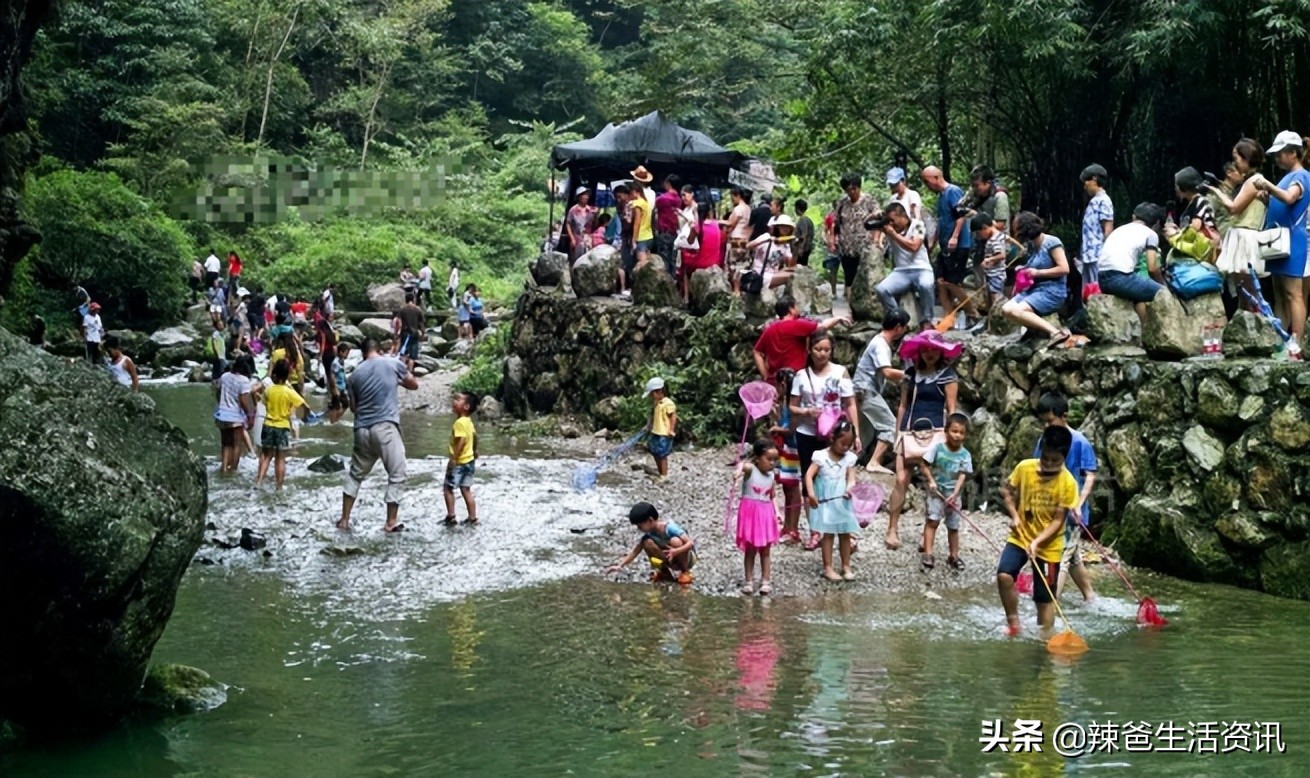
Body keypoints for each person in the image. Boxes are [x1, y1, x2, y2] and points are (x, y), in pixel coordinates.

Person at [998, 425, 1078, 635]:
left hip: (1048, 547)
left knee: (1044, 599)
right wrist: (1015, 516)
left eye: (1056, 461)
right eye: (1046, 459)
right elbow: (1006, 491)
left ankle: (1044, 639)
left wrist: (1037, 542)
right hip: (1020, 538)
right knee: (1004, 576)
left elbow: (1058, 521)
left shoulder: (1068, 483)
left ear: (1064, 457)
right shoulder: (1024, 468)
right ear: (1041, 451)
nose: (1049, 465)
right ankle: (1013, 622)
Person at [885, 330, 961, 551]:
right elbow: (902, 405)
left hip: (936, 432)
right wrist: (897, 432)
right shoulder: (910, 374)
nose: (929, 354)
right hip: (909, 430)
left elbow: (951, 409)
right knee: (901, 480)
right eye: (925, 349)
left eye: (934, 350)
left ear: (940, 352)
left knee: (932, 483)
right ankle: (892, 529)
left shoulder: (948, 376)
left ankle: (926, 534)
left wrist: (951, 439)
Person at [338, 338, 419, 533]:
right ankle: (391, 522)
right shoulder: (392, 363)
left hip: (361, 430)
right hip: (385, 428)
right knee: (397, 474)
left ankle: (344, 519)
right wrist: (396, 381)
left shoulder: (354, 374)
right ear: (379, 350)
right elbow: (413, 384)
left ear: (363, 353)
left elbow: (354, 407)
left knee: (356, 475)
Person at [790, 330, 861, 550]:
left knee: (838, 480)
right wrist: (806, 412)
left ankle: (842, 529)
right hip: (807, 432)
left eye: (826, 350)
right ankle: (815, 530)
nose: (822, 354)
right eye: (818, 349)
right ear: (810, 350)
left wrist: (855, 433)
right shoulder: (801, 375)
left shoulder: (841, 373)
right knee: (809, 479)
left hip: (835, 434)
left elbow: (850, 404)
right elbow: (791, 406)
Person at [1032, 393, 1098, 602]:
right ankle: (1090, 597)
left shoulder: (1080, 442)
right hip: (1051, 508)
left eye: (1051, 421)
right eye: (1044, 422)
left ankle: (1051, 603)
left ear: (1065, 416)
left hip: (1072, 513)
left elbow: (1090, 475)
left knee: (1059, 558)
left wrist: (1078, 504)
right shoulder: (1046, 440)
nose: (1047, 426)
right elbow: (1036, 468)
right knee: (1073, 558)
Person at [1254, 131, 1310, 347]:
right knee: (1278, 292)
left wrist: (1267, 185)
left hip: (1293, 239)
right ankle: (1279, 339)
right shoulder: (1286, 177)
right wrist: (1267, 200)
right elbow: (1282, 205)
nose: (1277, 159)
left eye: (1280, 154)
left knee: (1293, 293)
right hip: (1278, 240)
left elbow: (1290, 197)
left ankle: (1296, 341)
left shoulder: (1302, 176)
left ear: (1293, 153)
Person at [1001, 212, 1072, 346]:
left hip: (1052, 291)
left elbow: (1064, 269)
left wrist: (1037, 273)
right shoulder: (1033, 246)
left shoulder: (1052, 242)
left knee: (1017, 310)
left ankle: (1056, 333)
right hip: (1034, 290)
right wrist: (1023, 268)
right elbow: (1034, 265)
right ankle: (1034, 329)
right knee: (1006, 308)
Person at [853, 310, 910, 474]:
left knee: (865, 432)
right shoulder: (881, 345)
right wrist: (910, 375)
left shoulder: (879, 342)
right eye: (904, 328)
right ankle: (874, 462)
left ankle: (848, 462)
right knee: (890, 427)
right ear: (898, 328)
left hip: (861, 391)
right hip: (866, 391)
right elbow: (887, 372)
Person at [805, 419, 860, 582]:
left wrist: (850, 488)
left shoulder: (849, 458)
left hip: (842, 500)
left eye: (849, 444)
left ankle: (846, 566)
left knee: (845, 533)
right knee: (828, 534)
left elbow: (851, 478)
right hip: (826, 501)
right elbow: (809, 475)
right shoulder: (821, 456)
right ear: (832, 438)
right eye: (842, 443)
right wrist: (811, 494)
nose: (845, 447)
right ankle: (828, 567)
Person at [921, 166, 975, 327]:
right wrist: (933, 242)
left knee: (952, 282)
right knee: (940, 281)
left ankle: (973, 312)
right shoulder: (941, 196)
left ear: (936, 177)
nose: (926, 185)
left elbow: (961, 215)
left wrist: (955, 236)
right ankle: (949, 316)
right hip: (945, 245)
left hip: (958, 245)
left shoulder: (953, 191)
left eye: (926, 181)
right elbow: (941, 222)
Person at [918, 413, 973, 571]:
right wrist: (931, 481)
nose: (957, 436)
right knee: (932, 521)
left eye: (961, 433)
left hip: (953, 495)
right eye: (954, 431)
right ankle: (928, 554)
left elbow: (963, 475)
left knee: (953, 526)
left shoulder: (965, 455)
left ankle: (953, 556)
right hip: (936, 493)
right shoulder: (937, 449)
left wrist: (955, 494)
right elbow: (924, 464)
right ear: (946, 431)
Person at [752, 296, 850, 384]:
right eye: (796, 306)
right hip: (795, 378)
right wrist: (837, 318)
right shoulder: (797, 324)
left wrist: (765, 375)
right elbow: (823, 326)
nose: (799, 308)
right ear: (791, 309)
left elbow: (756, 351)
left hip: (775, 380)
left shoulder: (769, 329)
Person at [1096, 203, 1166, 325]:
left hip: (1102, 280)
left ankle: (1143, 333)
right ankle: (1152, 333)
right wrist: (1164, 286)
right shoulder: (1151, 234)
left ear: (1134, 217)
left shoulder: (1120, 229)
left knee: (1139, 296)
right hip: (1122, 279)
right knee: (1164, 294)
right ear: (1157, 223)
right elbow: (1152, 268)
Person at [875, 201, 936, 323]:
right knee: (881, 289)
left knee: (926, 285)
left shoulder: (918, 225)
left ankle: (927, 320)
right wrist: (875, 215)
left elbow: (914, 247)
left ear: (902, 216)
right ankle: (897, 318)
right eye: (889, 221)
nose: (891, 224)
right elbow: (867, 224)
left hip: (922, 268)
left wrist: (894, 235)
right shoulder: (890, 228)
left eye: (893, 220)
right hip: (901, 271)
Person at [735, 439, 781, 596]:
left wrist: (778, 512)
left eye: (775, 460)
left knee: (766, 549)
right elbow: (743, 465)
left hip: (766, 513)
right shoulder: (751, 470)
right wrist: (738, 470)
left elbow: (772, 495)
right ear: (757, 458)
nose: (772, 463)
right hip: (751, 514)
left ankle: (765, 580)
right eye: (769, 459)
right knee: (750, 549)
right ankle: (749, 580)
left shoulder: (771, 476)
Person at [607, 502, 695, 583]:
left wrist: (676, 551)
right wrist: (620, 565)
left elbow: (690, 543)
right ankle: (664, 572)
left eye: (640, 526)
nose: (639, 529)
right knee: (646, 542)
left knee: (675, 541)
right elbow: (635, 552)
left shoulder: (670, 528)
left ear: (650, 520)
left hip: (687, 558)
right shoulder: (649, 534)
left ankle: (685, 572)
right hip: (669, 557)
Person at [256, 359, 308, 491]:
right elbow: (303, 404)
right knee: (280, 458)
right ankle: (279, 486)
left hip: (268, 425)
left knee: (266, 456)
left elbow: (263, 402)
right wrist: (306, 415)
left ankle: (259, 481)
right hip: (282, 426)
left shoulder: (268, 390)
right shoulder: (289, 391)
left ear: (274, 375)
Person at [769, 367, 804, 545]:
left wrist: (777, 429)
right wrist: (775, 417)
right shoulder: (784, 403)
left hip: (793, 449)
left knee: (793, 488)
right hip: (785, 448)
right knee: (787, 488)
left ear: (782, 384)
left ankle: (793, 529)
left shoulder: (793, 404)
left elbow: (792, 429)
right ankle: (788, 527)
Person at [833, 173, 880, 297]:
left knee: (865, 278)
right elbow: (836, 223)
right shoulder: (842, 202)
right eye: (848, 190)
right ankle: (850, 307)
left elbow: (877, 221)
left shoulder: (869, 200)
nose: (852, 192)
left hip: (865, 246)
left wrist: (876, 241)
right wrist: (833, 241)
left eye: (854, 189)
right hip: (847, 248)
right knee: (849, 278)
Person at [214, 355, 257, 473]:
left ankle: (223, 468)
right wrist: (250, 416)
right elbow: (244, 400)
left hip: (221, 414)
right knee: (236, 445)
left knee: (225, 444)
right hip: (235, 417)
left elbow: (218, 392)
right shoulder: (244, 381)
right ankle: (233, 470)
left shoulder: (225, 376)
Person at [443, 390, 479, 526]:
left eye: (458, 399)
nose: (454, 401)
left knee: (448, 488)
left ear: (466, 407)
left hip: (459, 462)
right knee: (466, 489)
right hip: (469, 462)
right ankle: (473, 517)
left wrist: (454, 458)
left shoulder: (459, 423)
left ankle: (451, 516)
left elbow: (462, 440)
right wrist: (475, 450)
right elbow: (474, 437)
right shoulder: (469, 422)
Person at [1079, 164, 1114, 295]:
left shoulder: (1104, 201)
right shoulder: (1094, 201)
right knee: (1087, 291)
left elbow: (1108, 227)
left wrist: (1105, 252)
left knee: (1096, 290)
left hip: (1097, 254)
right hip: (1088, 254)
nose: (1085, 186)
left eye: (1086, 182)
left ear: (1094, 179)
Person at [971, 212, 1013, 312]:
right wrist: (1020, 246)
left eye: (978, 233)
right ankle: (991, 318)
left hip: (996, 274)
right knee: (991, 297)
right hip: (993, 273)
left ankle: (997, 319)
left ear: (985, 227)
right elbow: (1008, 238)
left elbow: (1001, 255)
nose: (979, 236)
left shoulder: (994, 239)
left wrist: (988, 260)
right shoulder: (999, 235)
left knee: (996, 298)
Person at [643, 377, 677, 479]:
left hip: (664, 433)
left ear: (657, 392)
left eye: (651, 394)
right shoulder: (656, 403)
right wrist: (648, 426)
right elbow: (653, 416)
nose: (651, 397)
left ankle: (664, 475)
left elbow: (673, 417)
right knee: (654, 451)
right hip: (656, 432)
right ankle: (660, 472)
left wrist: (671, 430)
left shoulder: (668, 403)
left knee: (662, 455)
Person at [654, 175, 682, 275]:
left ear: (668, 184)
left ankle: (666, 283)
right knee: (673, 259)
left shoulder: (662, 199)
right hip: (675, 233)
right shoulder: (679, 199)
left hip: (664, 232)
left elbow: (654, 210)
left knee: (664, 258)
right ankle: (673, 280)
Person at [629, 175, 655, 271]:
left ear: (635, 192)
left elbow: (637, 223)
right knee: (648, 265)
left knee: (642, 267)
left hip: (641, 236)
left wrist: (633, 240)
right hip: (649, 236)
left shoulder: (638, 204)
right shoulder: (646, 202)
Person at [566, 187, 597, 264]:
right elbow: (568, 224)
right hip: (577, 238)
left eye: (587, 195)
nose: (586, 197)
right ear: (579, 197)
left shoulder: (590, 210)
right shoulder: (573, 210)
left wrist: (596, 215)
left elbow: (594, 224)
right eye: (584, 195)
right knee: (576, 259)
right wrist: (572, 238)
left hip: (588, 238)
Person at [395, 292, 425, 371]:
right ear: (413, 299)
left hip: (405, 333)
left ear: (406, 300)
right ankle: (410, 373)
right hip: (414, 333)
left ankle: (401, 372)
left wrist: (396, 334)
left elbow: (399, 323)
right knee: (412, 356)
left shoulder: (402, 310)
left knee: (404, 353)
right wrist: (423, 334)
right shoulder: (418, 310)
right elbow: (421, 324)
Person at [327, 341, 351, 424]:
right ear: (341, 352)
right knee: (335, 407)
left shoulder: (341, 361)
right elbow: (332, 376)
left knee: (346, 404)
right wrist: (335, 389)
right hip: (336, 388)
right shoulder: (335, 362)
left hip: (342, 387)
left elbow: (342, 373)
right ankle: (333, 422)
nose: (347, 355)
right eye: (346, 353)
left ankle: (335, 420)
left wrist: (346, 382)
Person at [794, 200, 815, 266]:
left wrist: (801, 248)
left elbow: (804, 234)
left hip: (803, 248)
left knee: (800, 266)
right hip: (808, 247)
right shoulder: (809, 220)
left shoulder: (802, 220)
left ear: (797, 208)